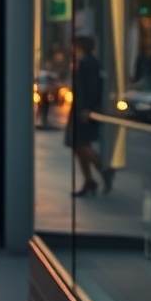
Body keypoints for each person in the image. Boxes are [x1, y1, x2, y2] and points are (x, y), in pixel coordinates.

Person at [65, 35, 114, 196]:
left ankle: (103, 169)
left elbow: (90, 88)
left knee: (81, 143)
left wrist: (86, 109)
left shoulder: (87, 63)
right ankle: (89, 181)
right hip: (82, 109)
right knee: (78, 145)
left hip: (83, 110)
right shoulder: (88, 62)